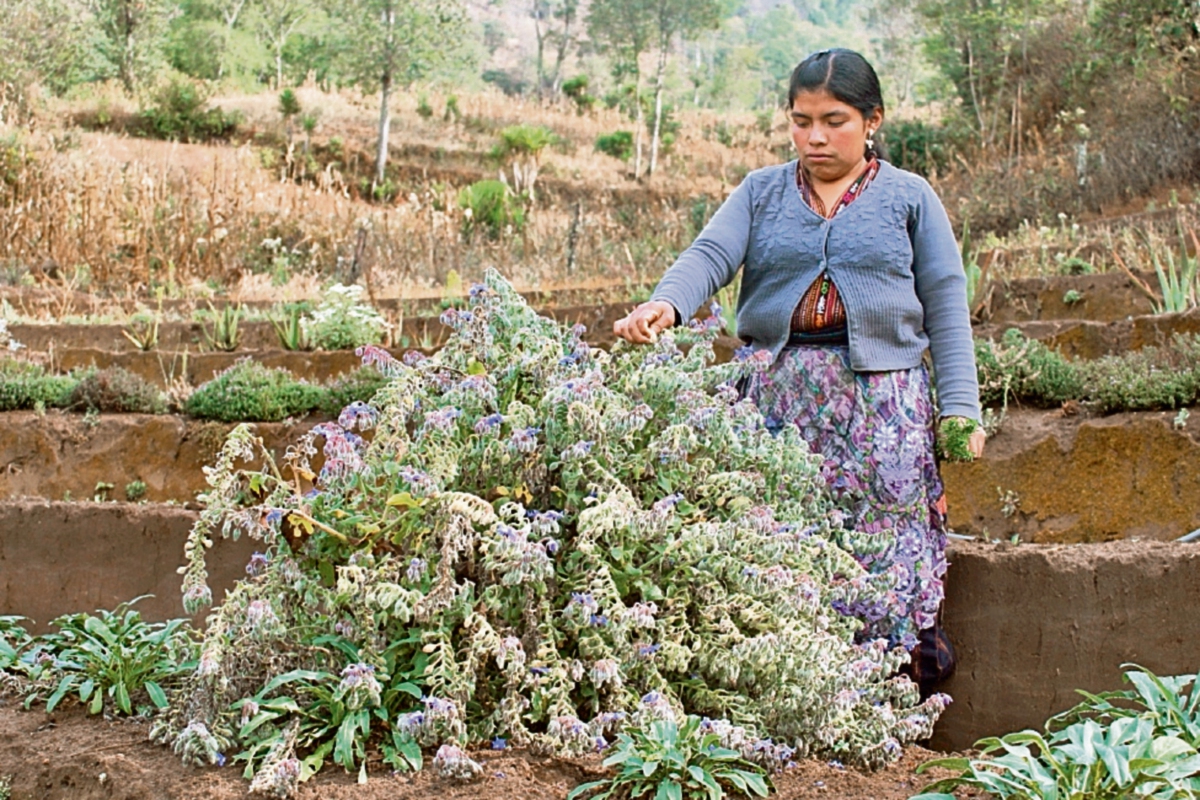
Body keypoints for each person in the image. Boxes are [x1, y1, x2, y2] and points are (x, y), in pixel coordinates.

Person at [613, 48, 983, 697]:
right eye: (801, 120)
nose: (815, 137)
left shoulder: (908, 197)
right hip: (777, 403)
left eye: (834, 121)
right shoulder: (761, 192)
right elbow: (711, 254)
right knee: (778, 539)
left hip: (883, 409)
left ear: (872, 121)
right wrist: (665, 304)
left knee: (883, 544)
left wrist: (960, 409)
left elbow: (946, 303)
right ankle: (787, 697)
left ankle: (889, 694)